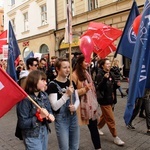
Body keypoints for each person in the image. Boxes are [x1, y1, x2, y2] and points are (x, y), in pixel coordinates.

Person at [46, 58, 80, 150]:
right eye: (65, 67)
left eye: (69, 67)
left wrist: (75, 107)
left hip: (73, 118)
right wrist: (66, 95)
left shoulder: (71, 82)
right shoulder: (52, 85)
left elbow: (77, 99)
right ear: (57, 69)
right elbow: (54, 106)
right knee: (64, 147)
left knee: (75, 146)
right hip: (61, 120)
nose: (68, 70)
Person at [16, 70, 55, 150]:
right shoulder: (25, 99)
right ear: (34, 81)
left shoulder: (44, 95)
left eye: (45, 80)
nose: (46, 83)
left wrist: (50, 115)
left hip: (44, 132)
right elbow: (22, 123)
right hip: (32, 135)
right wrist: (39, 117)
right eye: (42, 80)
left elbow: (49, 110)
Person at [72, 55, 101, 150]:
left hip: (90, 105)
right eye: (86, 61)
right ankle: (74, 146)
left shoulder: (87, 73)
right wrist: (85, 89)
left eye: (88, 61)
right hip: (79, 106)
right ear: (80, 63)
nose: (88, 63)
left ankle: (98, 147)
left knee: (94, 128)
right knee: (75, 129)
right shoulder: (74, 75)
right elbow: (72, 92)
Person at [96, 58, 125, 146]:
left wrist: (117, 85)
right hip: (104, 100)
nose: (109, 65)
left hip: (111, 99)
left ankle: (97, 127)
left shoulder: (111, 73)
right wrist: (104, 79)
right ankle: (115, 137)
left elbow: (112, 87)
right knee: (111, 119)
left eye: (109, 63)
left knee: (105, 116)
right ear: (102, 65)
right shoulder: (99, 74)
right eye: (107, 64)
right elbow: (100, 88)